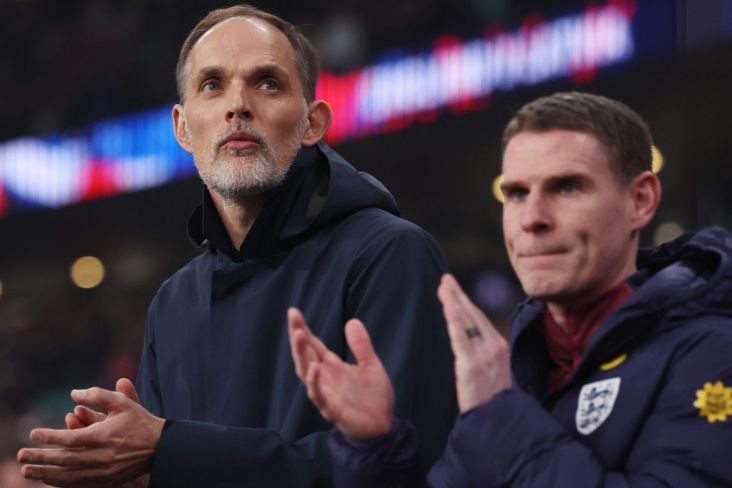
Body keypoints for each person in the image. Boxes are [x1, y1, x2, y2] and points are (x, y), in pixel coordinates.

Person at [16, 5, 456, 487]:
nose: (238, 105)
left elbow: (408, 465)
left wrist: (167, 449)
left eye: (267, 83)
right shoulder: (173, 302)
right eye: (212, 85)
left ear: (313, 123)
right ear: (182, 128)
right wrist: (132, 473)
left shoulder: (391, 255)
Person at [289, 91, 732, 486]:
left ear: (640, 200)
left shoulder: (713, 353)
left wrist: (501, 416)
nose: (532, 218)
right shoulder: (515, 367)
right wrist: (374, 447)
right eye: (516, 194)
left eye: (567, 187)